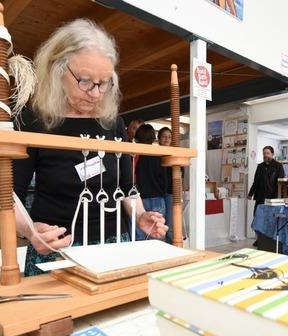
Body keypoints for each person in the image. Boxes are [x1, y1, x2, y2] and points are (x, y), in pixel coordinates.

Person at [13, 19, 166, 276]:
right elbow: (9, 196)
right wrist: (29, 230)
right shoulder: (33, 123)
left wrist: (139, 216)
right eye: (85, 81)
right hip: (57, 249)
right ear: (58, 71)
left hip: (114, 247)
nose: (96, 93)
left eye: (104, 83)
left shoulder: (113, 124)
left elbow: (127, 186)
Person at [135, 124, 167, 240]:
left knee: (140, 236)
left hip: (140, 199)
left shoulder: (136, 156)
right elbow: (164, 180)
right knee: (157, 234)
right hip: (157, 198)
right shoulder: (157, 155)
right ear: (153, 137)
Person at [158, 127, 174, 243]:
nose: (166, 139)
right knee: (159, 224)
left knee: (170, 224)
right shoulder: (155, 155)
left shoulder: (175, 154)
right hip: (158, 193)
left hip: (171, 193)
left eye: (169, 137)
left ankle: (171, 246)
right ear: (159, 139)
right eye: (164, 136)